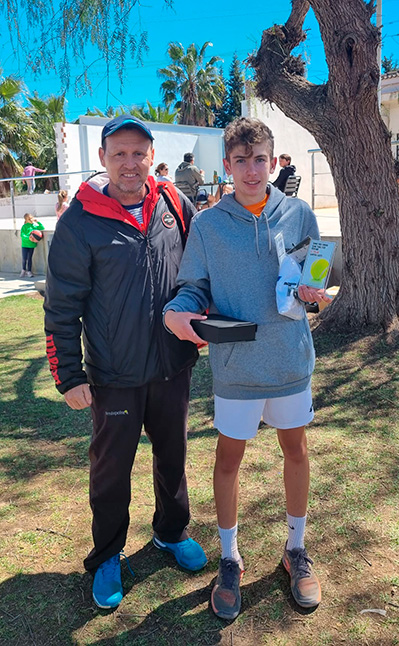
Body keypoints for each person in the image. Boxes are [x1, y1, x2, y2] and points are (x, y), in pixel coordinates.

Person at [164, 117, 330, 620]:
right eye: (241, 161)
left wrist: (313, 291)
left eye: (260, 159)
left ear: (273, 160)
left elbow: (314, 276)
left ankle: (295, 549)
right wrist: (181, 309)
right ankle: (230, 558)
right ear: (227, 165)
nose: (252, 170)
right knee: (227, 462)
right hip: (235, 366)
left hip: (289, 359)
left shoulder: (299, 214)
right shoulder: (209, 225)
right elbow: (194, 285)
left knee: (295, 450)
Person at [43, 114, 207, 610]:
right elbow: (61, 307)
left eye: (139, 153)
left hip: (173, 366)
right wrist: (69, 376)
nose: (130, 163)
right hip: (113, 377)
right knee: (111, 469)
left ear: (152, 156)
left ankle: (170, 531)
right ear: (103, 159)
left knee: (173, 456)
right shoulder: (79, 220)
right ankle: (108, 554)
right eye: (119, 154)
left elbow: (201, 269)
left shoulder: (174, 205)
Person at [20, 213, 45, 277]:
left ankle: (29, 271)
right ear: (26, 220)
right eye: (29, 219)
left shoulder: (34, 225)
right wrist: (28, 237)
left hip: (31, 245)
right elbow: (22, 235)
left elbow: (42, 227)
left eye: (31, 218)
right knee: (24, 258)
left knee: (29, 258)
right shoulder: (24, 226)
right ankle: (23, 270)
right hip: (25, 245)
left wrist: (38, 222)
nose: (31, 220)